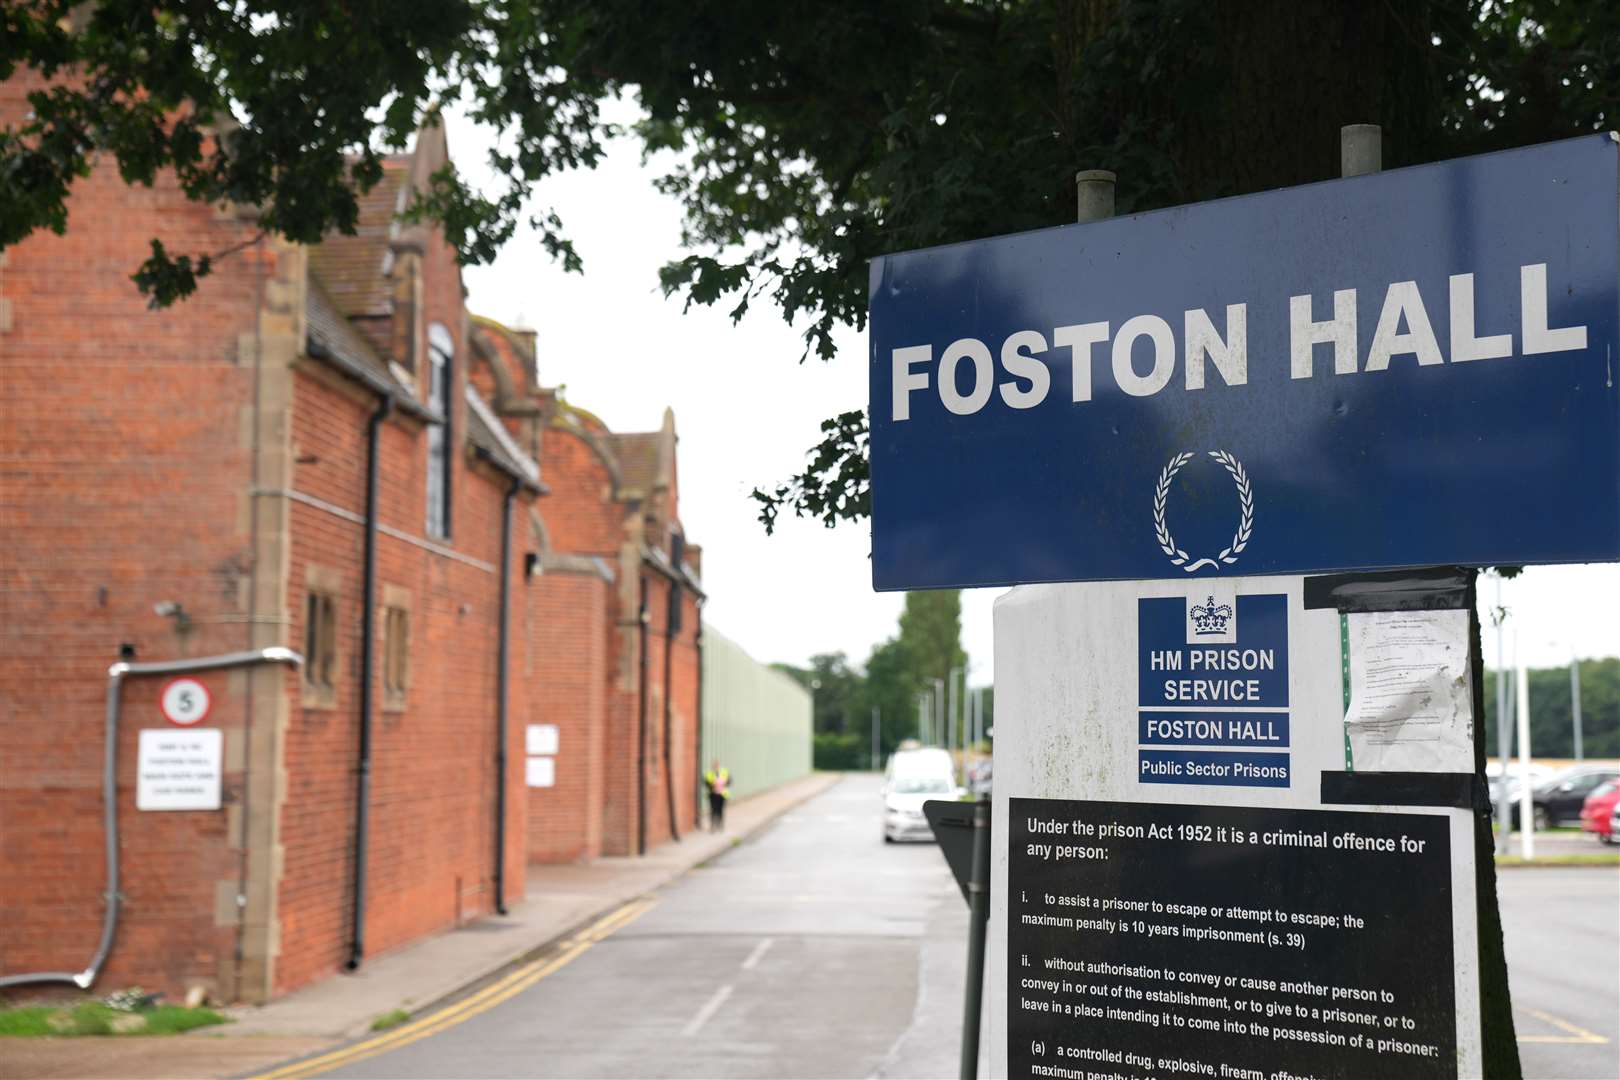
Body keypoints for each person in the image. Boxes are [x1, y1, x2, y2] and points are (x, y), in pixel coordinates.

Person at [704, 760, 731, 832]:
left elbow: (730, 781)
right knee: (713, 810)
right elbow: (706, 783)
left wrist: (724, 783)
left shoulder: (724, 772)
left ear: (719, 765)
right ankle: (713, 826)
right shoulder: (709, 773)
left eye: (717, 765)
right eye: (714, 765)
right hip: (713, 795)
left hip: (722, 795)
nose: (716, 767)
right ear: (713, 766)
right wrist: (712, 785)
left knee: (720, 810)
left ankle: (720, 825)